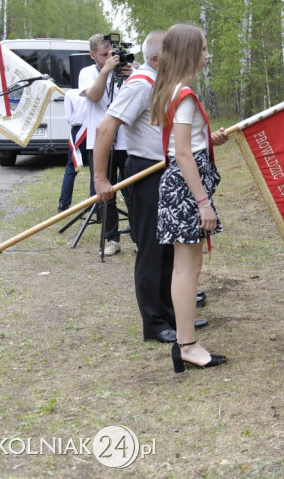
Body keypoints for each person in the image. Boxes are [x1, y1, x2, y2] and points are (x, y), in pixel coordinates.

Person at [93, 31, 218, 344]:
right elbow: (106, 127)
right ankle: (154, 322)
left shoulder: (164, 86)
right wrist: (100, 178)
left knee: (169, 250)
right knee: (151, 250)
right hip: (146, 173)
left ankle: (174, 315)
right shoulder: (140, 85)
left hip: (167, 171)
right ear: (156, 59)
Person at [150, 23, 228, 372]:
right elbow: (182, 154)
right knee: (187, 269)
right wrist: (203, 201)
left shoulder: (172, 90)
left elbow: (186, 146)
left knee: (187, 267)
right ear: (189, 53)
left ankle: (186, 343)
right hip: (185, 188)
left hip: (179, 185)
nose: (207, 55)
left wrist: (211, 140)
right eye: (203, 49)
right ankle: (187, 345)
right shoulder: (184, 96)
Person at [79, 34, 134, 256]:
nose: (109, 58)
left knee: (133, 191)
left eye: (112, 53)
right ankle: (112, 238)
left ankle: (139, 236)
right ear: (93, 55)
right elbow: (94, 96)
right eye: (104, 55)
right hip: (100, 143)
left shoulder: (127, 70)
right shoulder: (87, 73)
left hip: (128, 141)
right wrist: (105, 71)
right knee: (106, 192)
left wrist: (133, 76)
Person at [57, 88, 86, 212]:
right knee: (96, 167)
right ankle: (95, 201)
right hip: (92, 129)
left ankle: (64, 203)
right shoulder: (98, 89)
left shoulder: (70, 93)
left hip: (77, 130)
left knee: (71, 167)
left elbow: (69, 117)